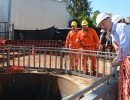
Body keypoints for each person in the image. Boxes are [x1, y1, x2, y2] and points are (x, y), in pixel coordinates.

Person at [96, 13, 130, 99]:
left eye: (103, 23)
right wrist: (118, 57)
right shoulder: (112, 33)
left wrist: (119, 60)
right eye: (100, 25)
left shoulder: (121, 27)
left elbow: (124, 46)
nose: (102, 27)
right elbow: (119, 48)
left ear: (110, 20)